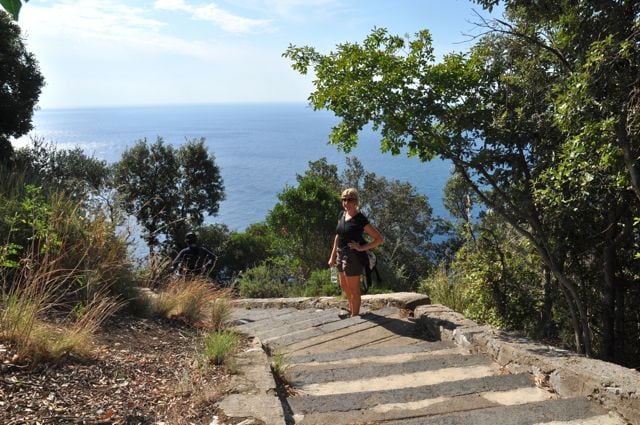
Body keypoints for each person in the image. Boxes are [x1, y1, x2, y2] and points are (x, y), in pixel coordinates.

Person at [328, 188, 384, 317]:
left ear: (355, 201)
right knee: (344, 286)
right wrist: (332, 256)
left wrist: (361, 248)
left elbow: (379, 239)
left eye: (349, 200)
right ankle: (351, 309)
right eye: (344, 199)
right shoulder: (342, 214)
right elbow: (338, 235)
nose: (346, 202)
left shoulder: (360, 219)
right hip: (340, 254)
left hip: (352, 257)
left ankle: (354, 317)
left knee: (354, 290)